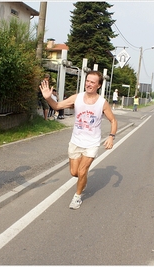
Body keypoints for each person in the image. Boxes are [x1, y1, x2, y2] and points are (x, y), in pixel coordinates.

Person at [40, 71, 117, 209]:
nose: (89, 84)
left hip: (91, 144)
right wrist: (48, 98)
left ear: (98, 85)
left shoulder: (102, 103)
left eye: (92, 82)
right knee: (74, 173)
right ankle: (83, 180)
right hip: (76, 141)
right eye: (87, 81)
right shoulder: (77, 98)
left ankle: (77, 196)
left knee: (82, 171)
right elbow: (57, 106)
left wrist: (111, 137)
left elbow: (113, 120)